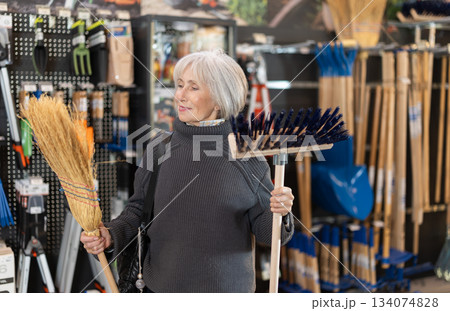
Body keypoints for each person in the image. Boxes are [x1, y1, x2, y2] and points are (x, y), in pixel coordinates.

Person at [80, 50, 295, 293]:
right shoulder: (158, 149)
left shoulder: (247, 157)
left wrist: (281, 211)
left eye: (193, 88)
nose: (179, 95)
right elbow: (137, 212)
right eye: (180, 85)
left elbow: (269, 234)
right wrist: (109, 234)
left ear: (219, 99)